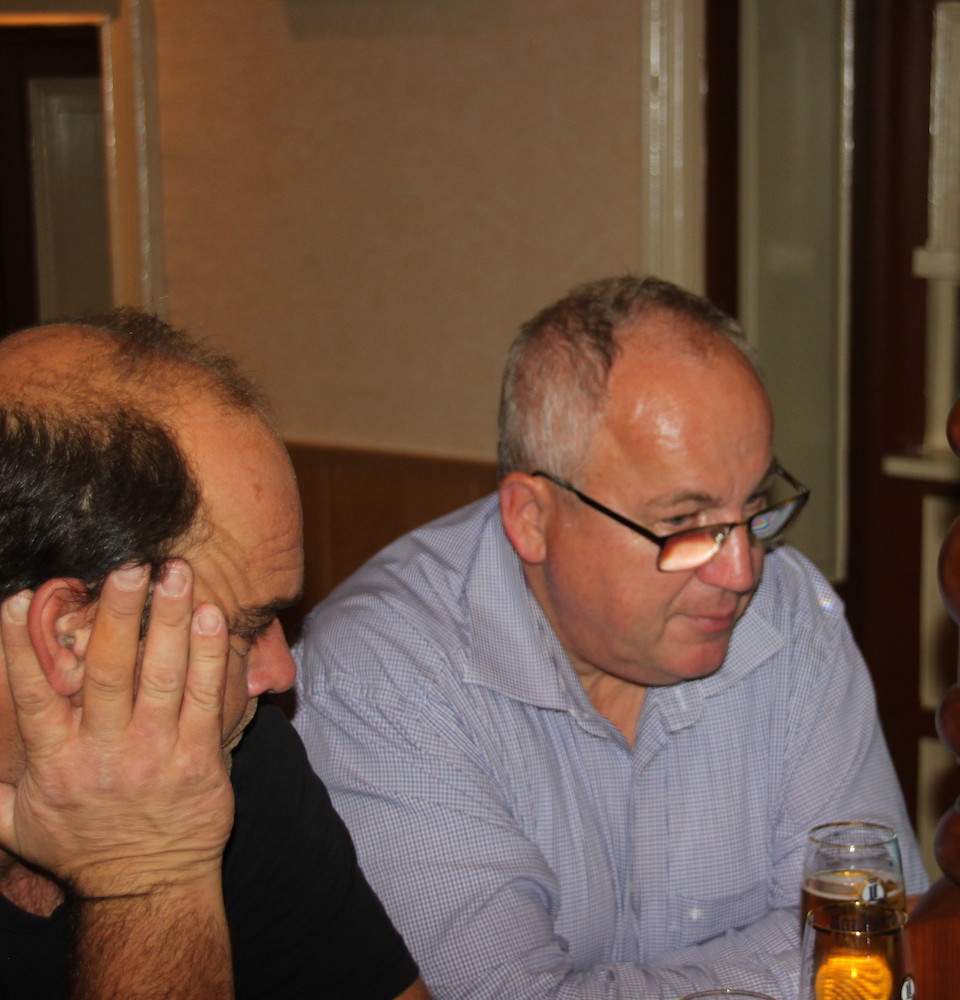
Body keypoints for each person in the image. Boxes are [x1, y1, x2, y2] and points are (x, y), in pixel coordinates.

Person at [293, 275, 926, 1000]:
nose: (743, 570)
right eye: (684, 523)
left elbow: (873, 931)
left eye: (753, 508)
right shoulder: (381, 676)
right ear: (532, 519)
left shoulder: (788, 616)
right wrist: (785, 970)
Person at [0, 311, 429, 1000]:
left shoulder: (233, 754)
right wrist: (149, 873)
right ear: (71, 635)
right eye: (248, 627)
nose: (281, 672)